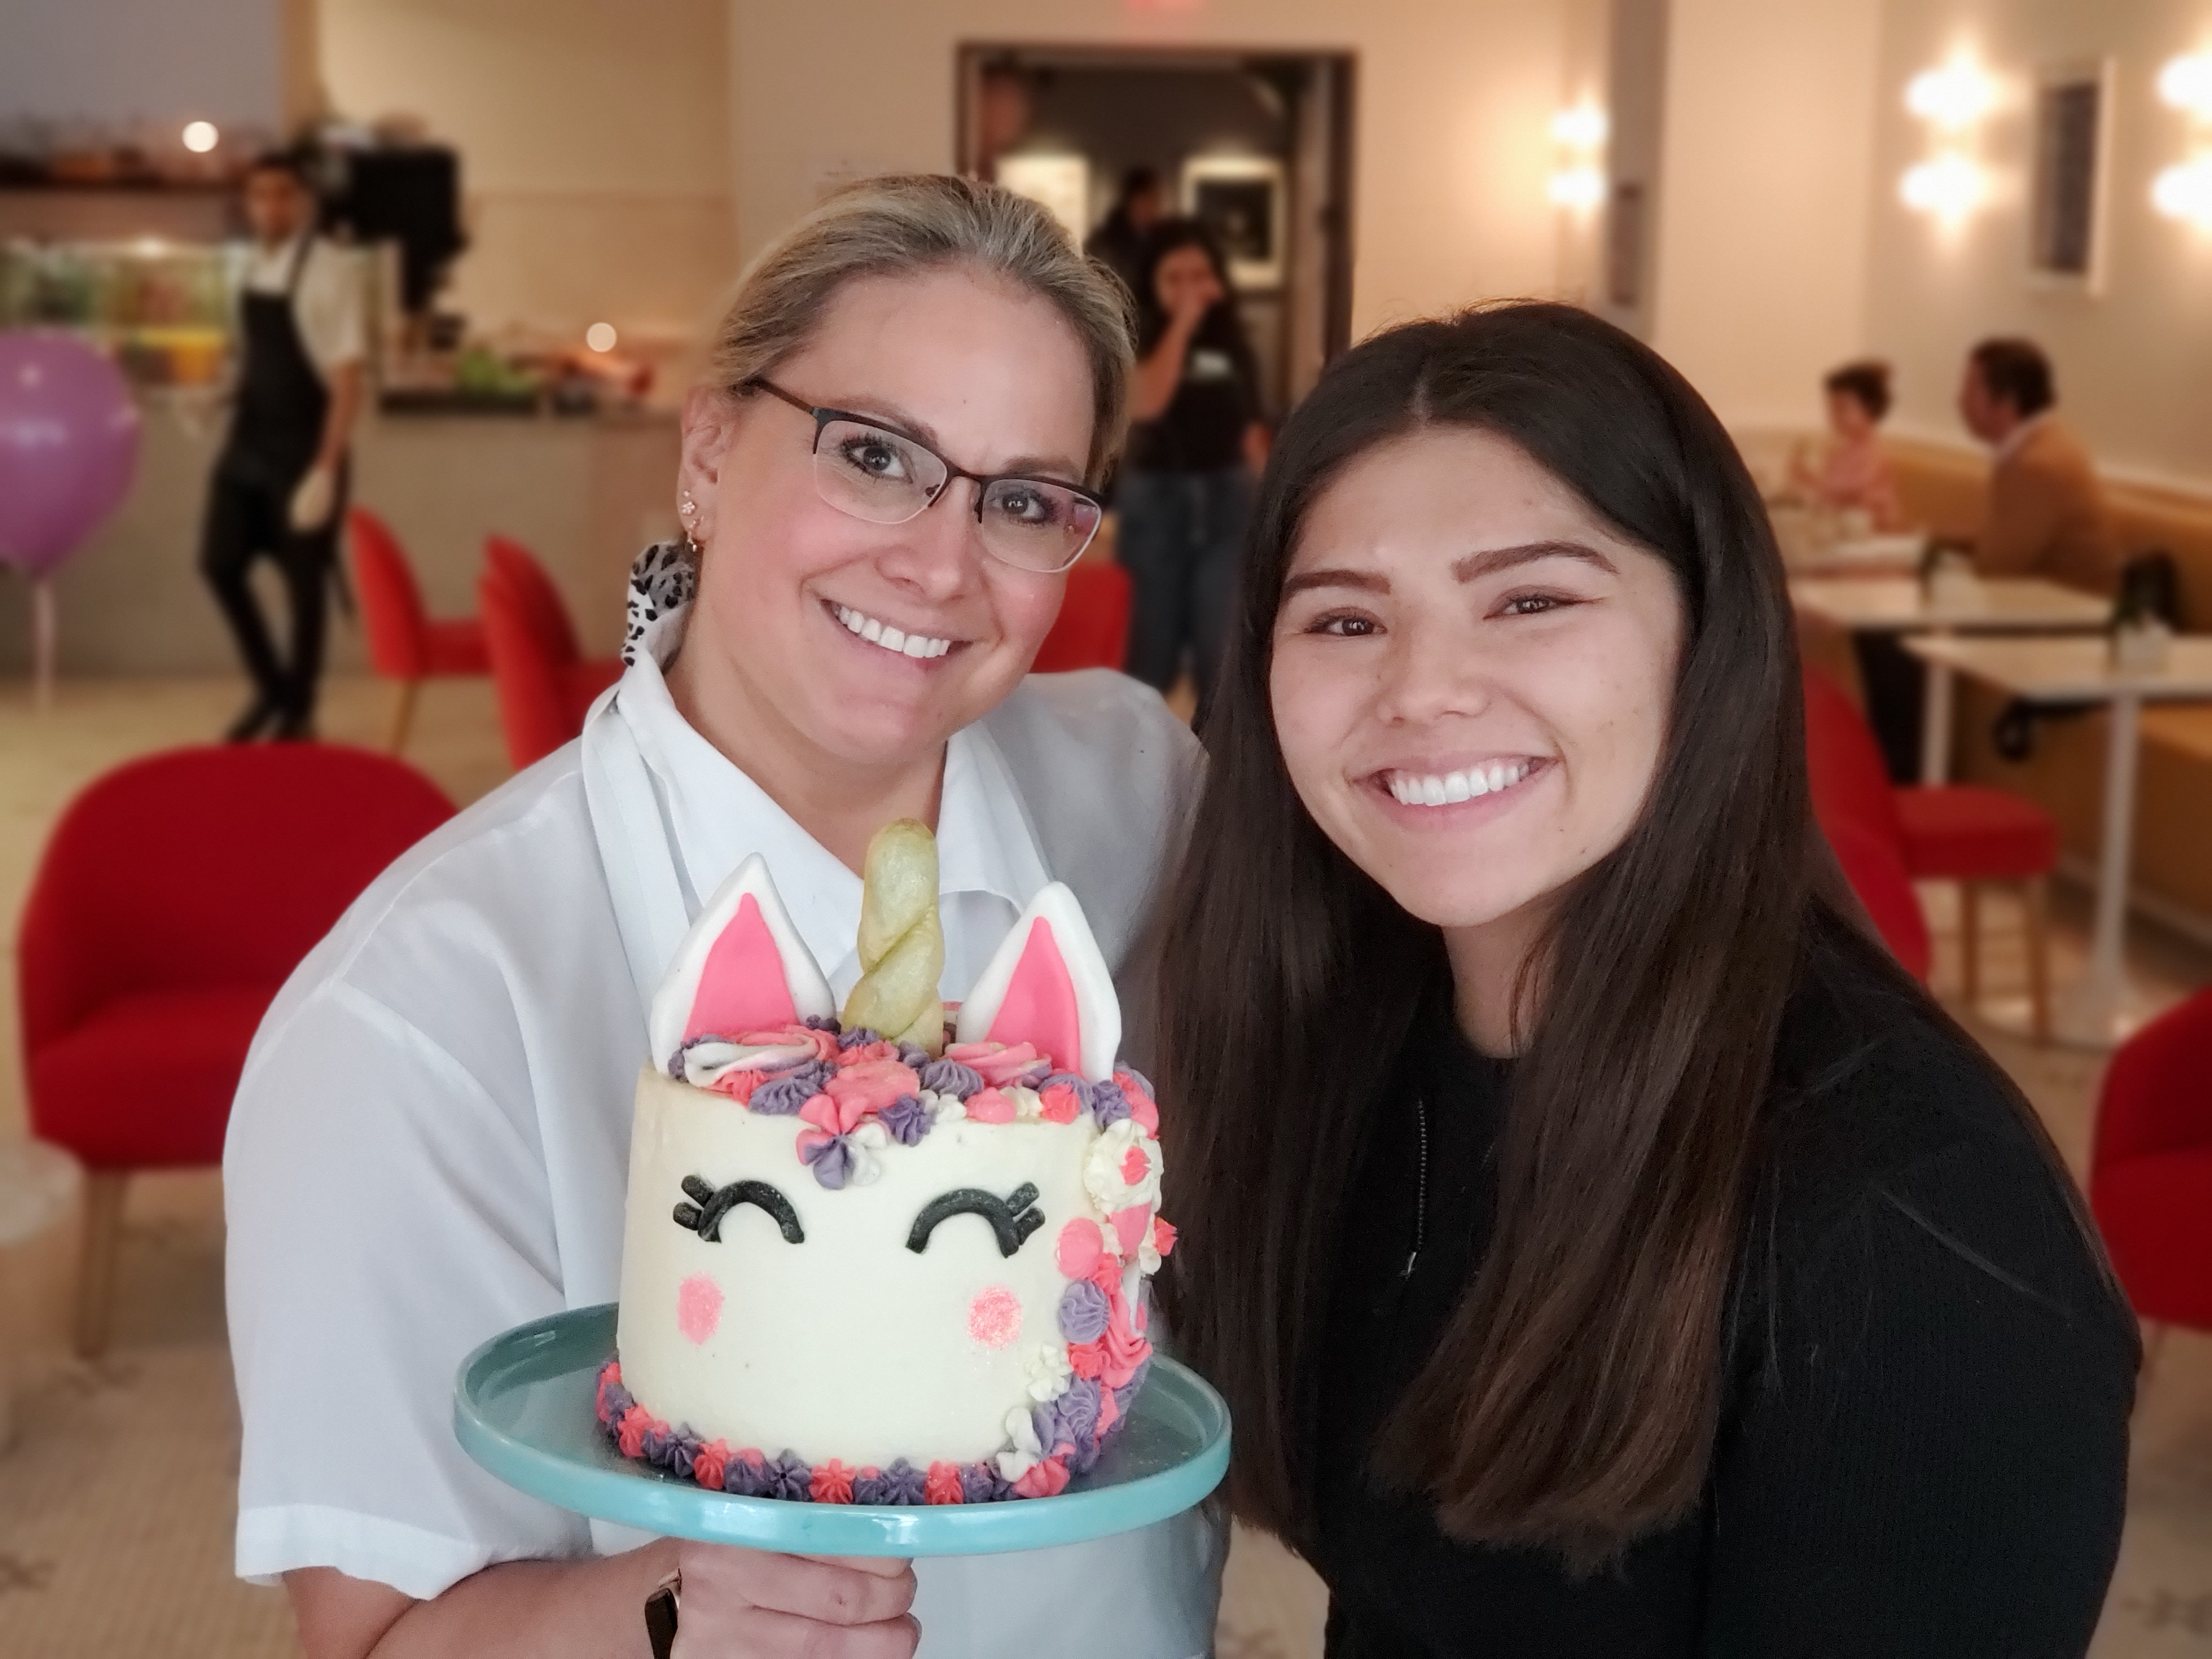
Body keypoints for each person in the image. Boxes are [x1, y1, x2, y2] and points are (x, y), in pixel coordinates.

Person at [225, 176, 1221, 1659]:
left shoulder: (1137, 794)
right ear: (708, 450)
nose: (940, 563)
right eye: (874, 455)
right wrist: (694, 1613)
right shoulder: (416, 1018)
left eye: (1023, 501)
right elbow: (373, 1640)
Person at [1156, 302, 2135, 1656]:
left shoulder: (1902, 1217)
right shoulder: (1343, 1051)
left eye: (1531, 599)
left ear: (1709, 634)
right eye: (1342, 620)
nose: (1425, 688)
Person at [200, 149, 366, 742]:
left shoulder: (330, 270)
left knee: (304, 585)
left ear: (303, 202)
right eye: (259, 195)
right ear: (248, 204)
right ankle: (272, 688)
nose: (270, 206)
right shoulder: (248, 268)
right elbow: (253, 360)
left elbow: (347, 378)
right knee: (218, 563)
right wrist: (219, 396)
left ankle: (297, 712)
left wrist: (325, 468)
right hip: (248, 442)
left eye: (282, 194)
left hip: (305, 446)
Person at [1116, 219, 1268, 719]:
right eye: (1173, 277)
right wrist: (1182, 324)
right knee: (1149, 654)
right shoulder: (1134, 335)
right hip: (1158, 501)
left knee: (1220, 652)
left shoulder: (1230, 343)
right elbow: (1147, 402)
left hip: (1228, 499)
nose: (1187, 289)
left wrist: (1274, 500)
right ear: (1153, 284)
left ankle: (1212, 771)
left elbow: (1249, 427)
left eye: (1197, 275)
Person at [1959, 337, 2120, 595]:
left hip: (2065, 624)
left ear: (2006, 402)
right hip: (2037, 609)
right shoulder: (2039, 444)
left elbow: (1996, 571)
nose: (1960, 401)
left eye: (1969, 390)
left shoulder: (2037, 466)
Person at [1789, 359, 1901, 530]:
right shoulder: (1841, 450)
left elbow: (1844, 495)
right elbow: (1829, 491)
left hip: (1875, 532)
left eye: (1841, 408)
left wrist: (1808, 480)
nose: (1834, 416)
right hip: (1845, 528)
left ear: (1869, 408)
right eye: (1831, 408)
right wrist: (1803, 475)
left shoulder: (1873, 453)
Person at [1084, 165, 1165, 300]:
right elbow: (1102, 289)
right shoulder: (1104, 243)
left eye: (1156, 201)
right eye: (1150, 200)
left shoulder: (1161, 239)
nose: (1155, 207)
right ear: (1133, 200)